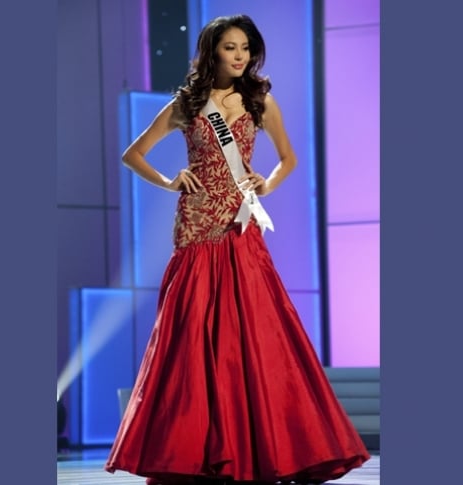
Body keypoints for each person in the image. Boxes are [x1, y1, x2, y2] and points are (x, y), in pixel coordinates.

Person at [104, 14, 370, 485]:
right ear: (212, 52)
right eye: (230, 47)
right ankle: (194, 451)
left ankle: (261, 446)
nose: (240, 55)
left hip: (238, 225)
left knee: (253, 329)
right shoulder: (188, 104)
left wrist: (265, 183)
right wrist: (169, 181)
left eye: (246, 47)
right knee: (192, 332)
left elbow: (288, 159)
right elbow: (133, 153)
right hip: (196, 224)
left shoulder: (260, 101)